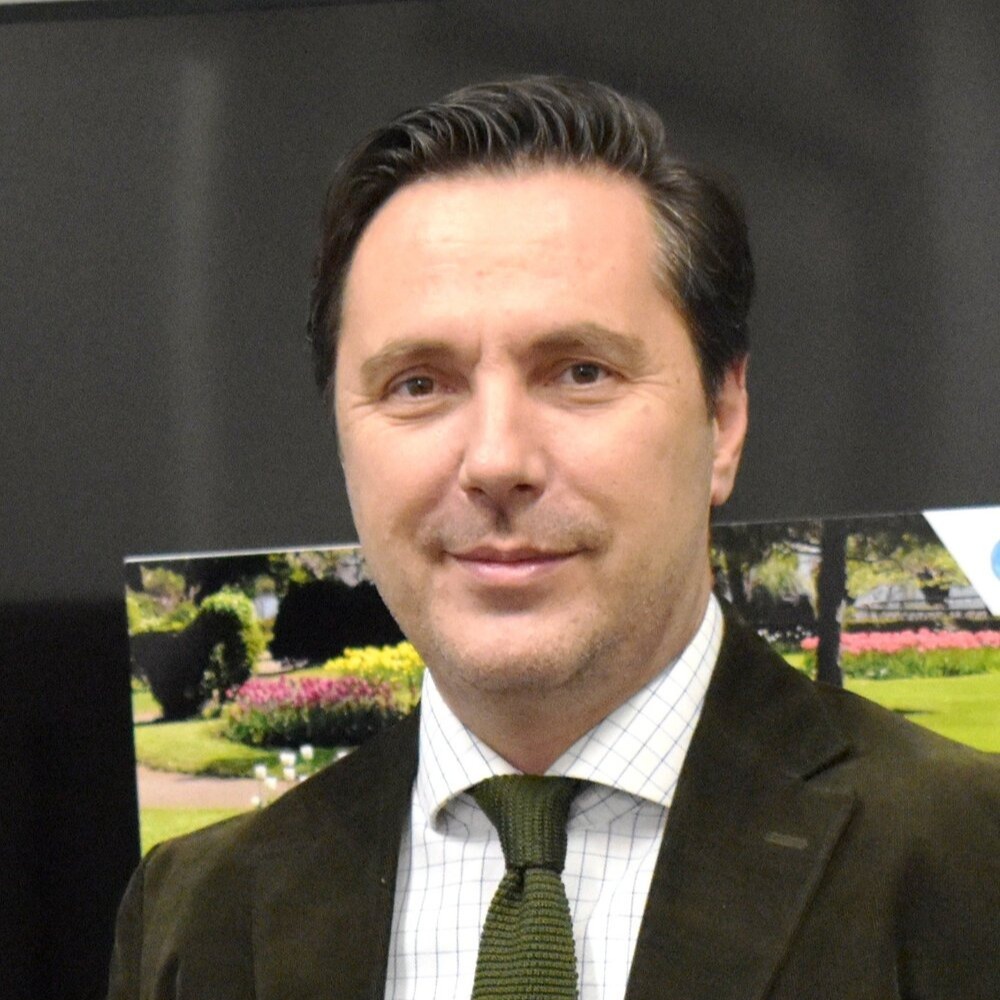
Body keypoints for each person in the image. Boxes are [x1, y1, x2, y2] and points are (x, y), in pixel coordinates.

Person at [107, 77, 998, 1000]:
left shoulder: (972, 862)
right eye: (419, 384)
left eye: (580, 371)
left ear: (724, 419)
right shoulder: (194, 918)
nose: (497, 460)